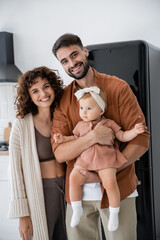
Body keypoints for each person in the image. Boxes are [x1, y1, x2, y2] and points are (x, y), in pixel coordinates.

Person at [51, 33, 150, 240]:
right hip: (78, 195)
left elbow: (141, 140)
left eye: (74, 55)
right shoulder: (62, 101)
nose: (72, 63)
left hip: (119, 188)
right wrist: (92, 137)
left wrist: (108, 170)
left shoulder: (118, 88)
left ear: (85, 51)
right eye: (65, 61)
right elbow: (60, 152)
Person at [53, 86, 145, 231]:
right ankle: (77, 209)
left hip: (106, 160)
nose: (83, 112)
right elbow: (75, 138)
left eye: (89, 108)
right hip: (84, 161)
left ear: (101, 111)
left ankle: (114, 212)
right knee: (73, 179)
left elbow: (122, 136)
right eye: (81, 108)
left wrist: (134, 131)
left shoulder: (109, 123)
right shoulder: (80, 125)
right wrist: (63, 138)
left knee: (110, 183)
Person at [8, 66, 68, 240]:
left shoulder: (63, 117)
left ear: (54, 87)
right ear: (29, 96)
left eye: (46, 86)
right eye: (35, 90)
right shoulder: (21, 125)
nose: (43, 93)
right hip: (42, 193)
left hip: (68, 189)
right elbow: (15, 172)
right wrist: (23, 215)